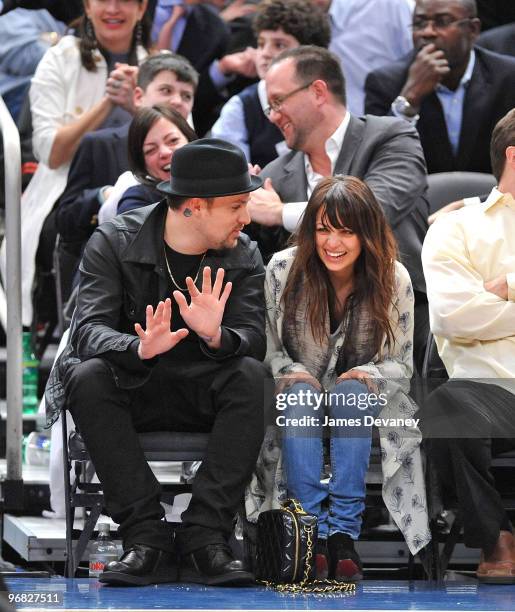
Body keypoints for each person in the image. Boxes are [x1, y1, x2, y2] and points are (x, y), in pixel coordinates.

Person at [45, 138, 268, 587]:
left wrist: (216, 335)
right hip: (136, 385)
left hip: (204, 390)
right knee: (87, 378)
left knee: (254, 377)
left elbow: (254, 340)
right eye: (237, 205)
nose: (246, 217)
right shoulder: (113, 241)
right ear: (194, 207)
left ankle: (206, 537)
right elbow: (87, 330)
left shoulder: (243, 253)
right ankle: (145, 538)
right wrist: (139, 348)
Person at [263, 175, 429, 581]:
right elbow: (272, 351)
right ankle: (311, 535)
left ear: (366, 234)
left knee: (351, 395)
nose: (332, 243)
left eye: (345, 231)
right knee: (300, 399)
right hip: (295, 391)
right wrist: (295, 373)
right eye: (322, 230)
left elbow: (402, 365)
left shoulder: (395, 278)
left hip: (372, 394)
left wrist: (368, 374)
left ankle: (342, 536)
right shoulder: (282, 271)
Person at [247, 45, 429, 370]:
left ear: (318, 91)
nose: (273, 115)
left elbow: (376, 211)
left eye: (277, 102)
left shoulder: (391, 137)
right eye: (269, 107)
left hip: (393, 322)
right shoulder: (273, 176)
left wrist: (279, 214)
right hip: (307, 340)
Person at [0, 0, 150, 329]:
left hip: (145, 193)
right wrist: (108, 102)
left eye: (124, 1)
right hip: (68, 191)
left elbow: (182, 144)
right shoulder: (60, 57)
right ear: (87, 6)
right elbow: (51, 152)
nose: (113, 9)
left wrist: (138, 107)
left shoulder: (156, 63)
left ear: (141, 9)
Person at [421, 108, 515, 583]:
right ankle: (495, 539)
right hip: (488, 388)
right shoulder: (456, 228)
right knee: (447, 408)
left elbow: (479, 315)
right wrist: (482, 306)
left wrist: (507, 286)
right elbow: (456, 319)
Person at [56, 52, 198, 249]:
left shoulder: (199, 152)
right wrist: (104, 195)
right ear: (138, 96)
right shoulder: (99, 145)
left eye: (186, 96)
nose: (177, 101)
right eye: (166, 90)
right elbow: (64, 221)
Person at [364, 0, 515, 175]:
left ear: (473, 29)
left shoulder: (508, 76)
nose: (427, 32)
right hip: (420, 199)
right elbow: (377, 162)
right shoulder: (385, 82)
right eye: (419, 23)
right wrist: (410, 98)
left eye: (442, 22)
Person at [211, 0, 330, 168]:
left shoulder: (328, 98)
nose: (265, 53)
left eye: (279, 45)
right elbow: (229, 177)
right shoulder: (240, 108)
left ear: (309, 54)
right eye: (260, 44)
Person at [100, 104, 197, 221]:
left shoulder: (219, 181)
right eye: (151, 150)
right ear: (142, 164)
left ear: (190, 140)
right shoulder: (136, 202)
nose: (164, 152)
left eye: (173, 140)